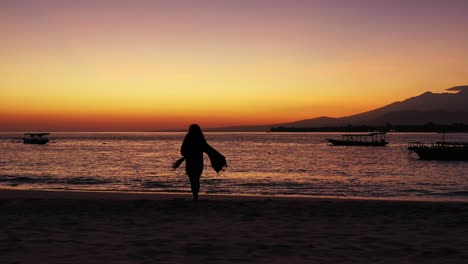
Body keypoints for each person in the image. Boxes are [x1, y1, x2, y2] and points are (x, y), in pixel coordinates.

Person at [173, 124, 226, 201]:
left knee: (192, 180)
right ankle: (196, 197)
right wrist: (219, 157)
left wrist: (188, 154)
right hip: (198, 163)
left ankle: (195, 196)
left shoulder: (188, 138)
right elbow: (208, 149)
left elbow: (182, 151)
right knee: (197, 179)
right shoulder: (200, 139)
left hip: (190, 162)